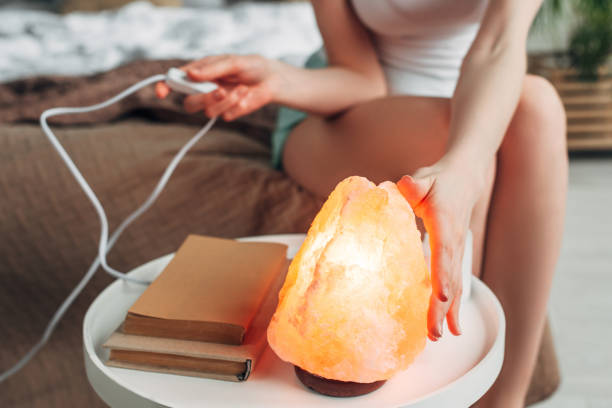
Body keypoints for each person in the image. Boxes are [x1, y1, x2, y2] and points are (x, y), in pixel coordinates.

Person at [156, 0, 568, 405]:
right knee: (463, 145)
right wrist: (279, 80)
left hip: (479, 95)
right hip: (351, 115)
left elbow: (499, 42)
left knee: (535, 107)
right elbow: (361, 78)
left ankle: (503, 401)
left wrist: (464, 168)